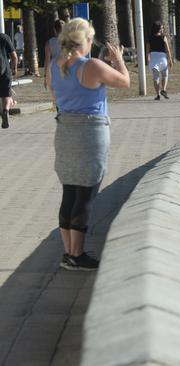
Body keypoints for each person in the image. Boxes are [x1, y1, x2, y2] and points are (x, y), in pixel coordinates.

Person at [47, 18, 130, 270]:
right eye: (91, 39)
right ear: (86, 41)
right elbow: (125, 82)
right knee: (86, 192)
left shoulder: (55, 65)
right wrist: (119, 60)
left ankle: (68, 252)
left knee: (70, 191)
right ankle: (78, 253)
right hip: (90, 132)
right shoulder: (91, 65)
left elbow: (54, 92)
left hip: (65, 130)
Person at [147, 21, 173, 100]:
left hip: (153, 58)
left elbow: (147, 50)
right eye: (161, 28)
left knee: (155, 77)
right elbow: (167, 50)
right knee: (164, 74)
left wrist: (148, 59)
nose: (162, 29)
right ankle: (163, 89)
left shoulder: (150, 38)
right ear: (158, 29)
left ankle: (157, 94)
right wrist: (170, 60)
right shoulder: (163, 37)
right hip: (162, 57)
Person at [0, 32, 18, 129]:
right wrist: (14, 69)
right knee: (6, 95)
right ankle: (6, 111)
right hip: (4, 70)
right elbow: (14, 56)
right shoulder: (4, 37)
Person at [44, 20, 66, 90]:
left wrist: (45, 76)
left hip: (55, 68)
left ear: (54, 29)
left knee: (57, 92)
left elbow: (47, 60)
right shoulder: (69, 41)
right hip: (67, 68)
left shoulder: (49, 43)